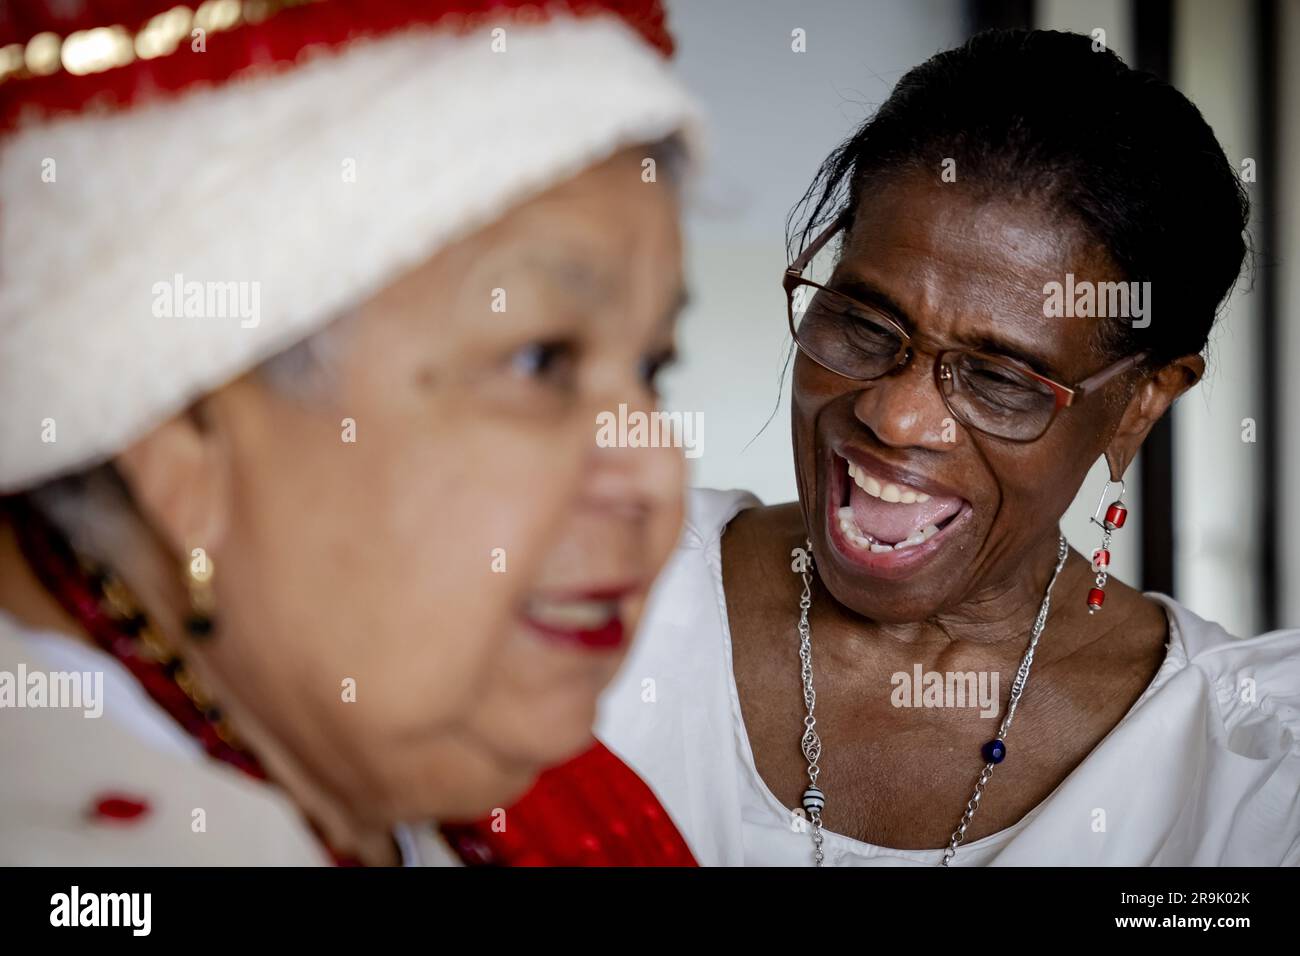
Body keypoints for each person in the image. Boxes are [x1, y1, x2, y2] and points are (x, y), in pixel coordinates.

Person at [0, 0, 699, 865]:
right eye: (540, 363)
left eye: (652, 369)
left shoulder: (588, 818)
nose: (662, 476)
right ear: (179, 432)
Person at [597, 29, 1300, 866]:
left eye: (1000, 378)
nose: (895, 418)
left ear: (1137, 404)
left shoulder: (1245, 771)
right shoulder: (597, 595)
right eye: (864, 323)